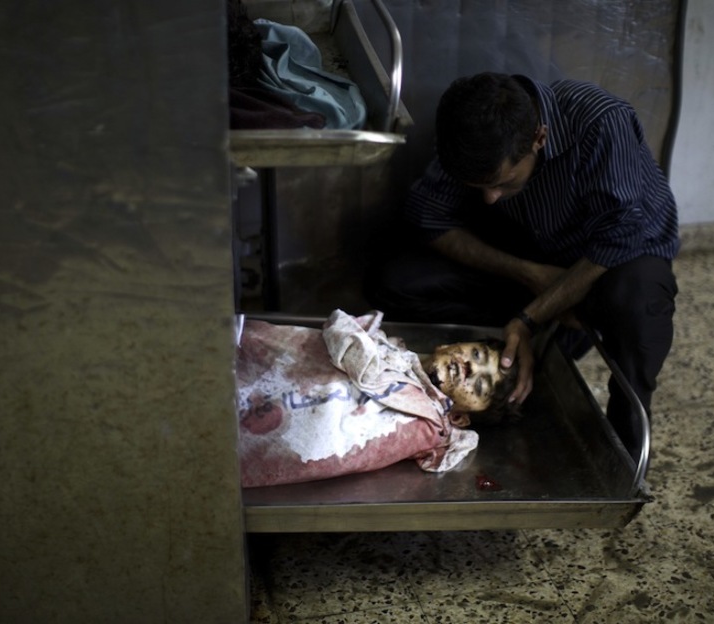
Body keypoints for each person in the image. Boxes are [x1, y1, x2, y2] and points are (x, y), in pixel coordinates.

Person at [364, 72, 679, 459]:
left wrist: (530, 317)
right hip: (535, 264)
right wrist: (530, 276)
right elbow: (426, 215)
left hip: (610, 273)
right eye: (479, 187)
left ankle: (622, 452)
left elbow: (622, 236)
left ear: (539, 138)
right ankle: (512, 362)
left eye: (504, 183)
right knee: (395, 280)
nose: (491, 198)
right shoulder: (474, 129)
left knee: (637, 302)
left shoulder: (600, 121)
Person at [236, 309, 519, 487]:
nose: (471, 368)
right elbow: (337, 332)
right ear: (448, 345)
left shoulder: (429, 425)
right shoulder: (384, 346)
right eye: (477, 354)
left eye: (480, 386)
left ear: (458, 417)